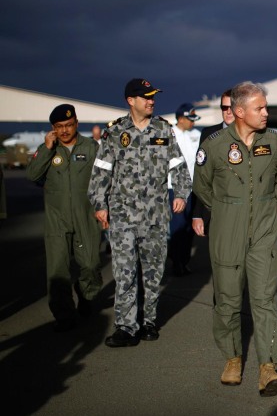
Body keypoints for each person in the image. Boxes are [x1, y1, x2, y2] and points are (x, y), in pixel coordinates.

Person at [193, 81, 277, 395]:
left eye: (265, 107)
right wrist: (227, 210)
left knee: (264, 299)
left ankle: (268, 367)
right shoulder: (214, 145)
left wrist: (262, 205)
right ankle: (233, 358)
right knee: (228, 300)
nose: (266, 113)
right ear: (239, 112)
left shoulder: (274, 142)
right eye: (259, 108)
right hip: (226, 231)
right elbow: (202, 187)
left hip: (263, 230)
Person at [89, 78, 191, 347]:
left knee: (153, 273)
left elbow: (179, 167)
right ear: (130, 100)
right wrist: (99, 204)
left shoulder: (163, 130)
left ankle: (148, 322)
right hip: (122, 215)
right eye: (146, 97)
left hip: (155, 216)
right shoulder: (115, 133)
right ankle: (125, 326)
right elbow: (101, 171)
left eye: (153, 96)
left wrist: (181, 194)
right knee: (124, 273)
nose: (151, 101)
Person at [27, 104, 102, 332]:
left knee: (90, 264)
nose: (65, 130)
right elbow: (32, 175)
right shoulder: (48, 149)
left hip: (86, 218)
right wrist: (48, 149)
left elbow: (104, 180)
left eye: (69, 125)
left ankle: (86, 295)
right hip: (57, 221)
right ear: (53, 129)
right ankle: (64, 315)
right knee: (58, 271)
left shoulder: (91, 148)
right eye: (59, 127)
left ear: (76, 123)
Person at [192, 89, 234, 237]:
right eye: (224, 107)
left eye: (232, 107)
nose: (228, 112)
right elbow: (202, 176)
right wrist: (197, 215)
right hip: (214, 209)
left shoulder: (253, 135)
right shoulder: (208, 134)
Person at [169, 103, 201, 276]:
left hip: (193, 187)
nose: (193, 123)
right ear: (181, 119)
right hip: (173, 189)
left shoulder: (195, 135)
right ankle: (176, 261)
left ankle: (184, 260)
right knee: (178, 225)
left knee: (190, 226)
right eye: (190, 119)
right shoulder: (169, 134)